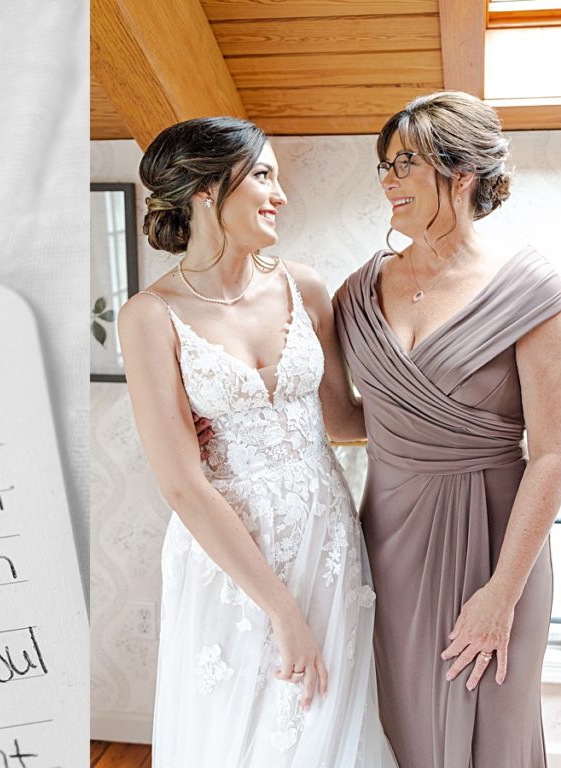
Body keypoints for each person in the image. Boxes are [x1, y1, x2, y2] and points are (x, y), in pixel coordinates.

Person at [118, 116, 397, 767]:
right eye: (264, 175)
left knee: (329, 721)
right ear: (207, 193)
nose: (280, 195)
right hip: (230, 560)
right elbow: (183, 483)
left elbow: (342, 420)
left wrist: (449, 420)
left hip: (326, 540)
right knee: (238, 727)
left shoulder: (303, 286)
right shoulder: (150, 317)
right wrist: (280, 610)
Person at [333, 91, 561, 767]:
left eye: (404, 163)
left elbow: (554, 453)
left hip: (499, 546)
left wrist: (502, 591)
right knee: (398, 728)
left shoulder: (529, 290)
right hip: (388, 543)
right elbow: (344, 415)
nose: (387, 179)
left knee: (493, 731)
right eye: (383, 165)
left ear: (460, 172)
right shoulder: (356, 293)